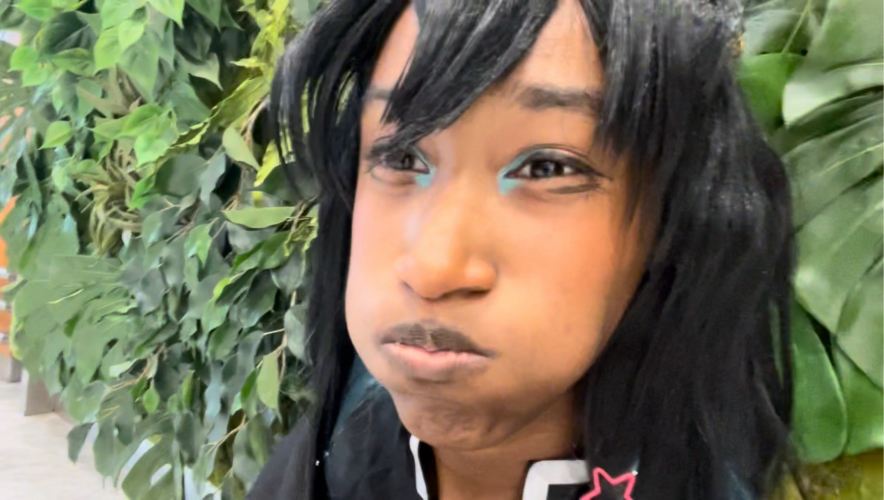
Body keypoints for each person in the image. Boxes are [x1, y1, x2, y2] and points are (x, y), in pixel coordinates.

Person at [251, 0, 795, 498]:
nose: (434, 268)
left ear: (673, 214)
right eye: (401, 157)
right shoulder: (325, 460)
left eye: (546, 167)